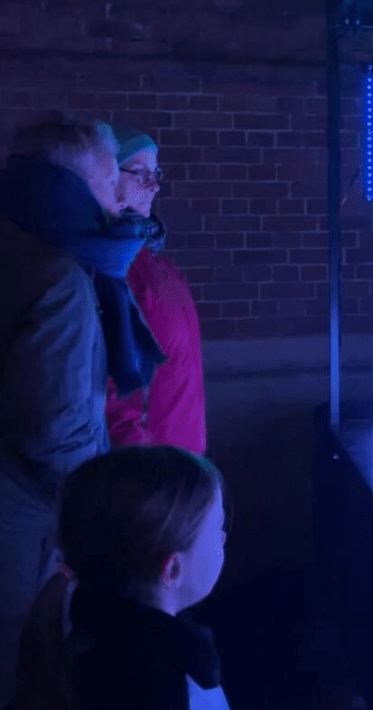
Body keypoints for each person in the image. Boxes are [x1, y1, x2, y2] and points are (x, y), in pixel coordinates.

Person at [0, 115, 165, 704]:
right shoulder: (61, 279)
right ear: (68, 185)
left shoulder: (19, 247)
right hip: (26, 530)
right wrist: (94, 517)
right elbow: (57, 429)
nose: (115, 203)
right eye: (105, 184)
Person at [6, 446, 230, 710]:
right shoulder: (176, 687)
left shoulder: (71, 604)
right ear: (172, 570)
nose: (224, 537)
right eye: (218, 527)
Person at [105, 126, 207, 455]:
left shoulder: (157, 262)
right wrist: (142, 455)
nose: (153, 185)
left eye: (156, 173)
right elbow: (104, 384)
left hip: (182, 458)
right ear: (106, 178)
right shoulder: (111, 266)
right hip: (151, 473)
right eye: (139, 173)